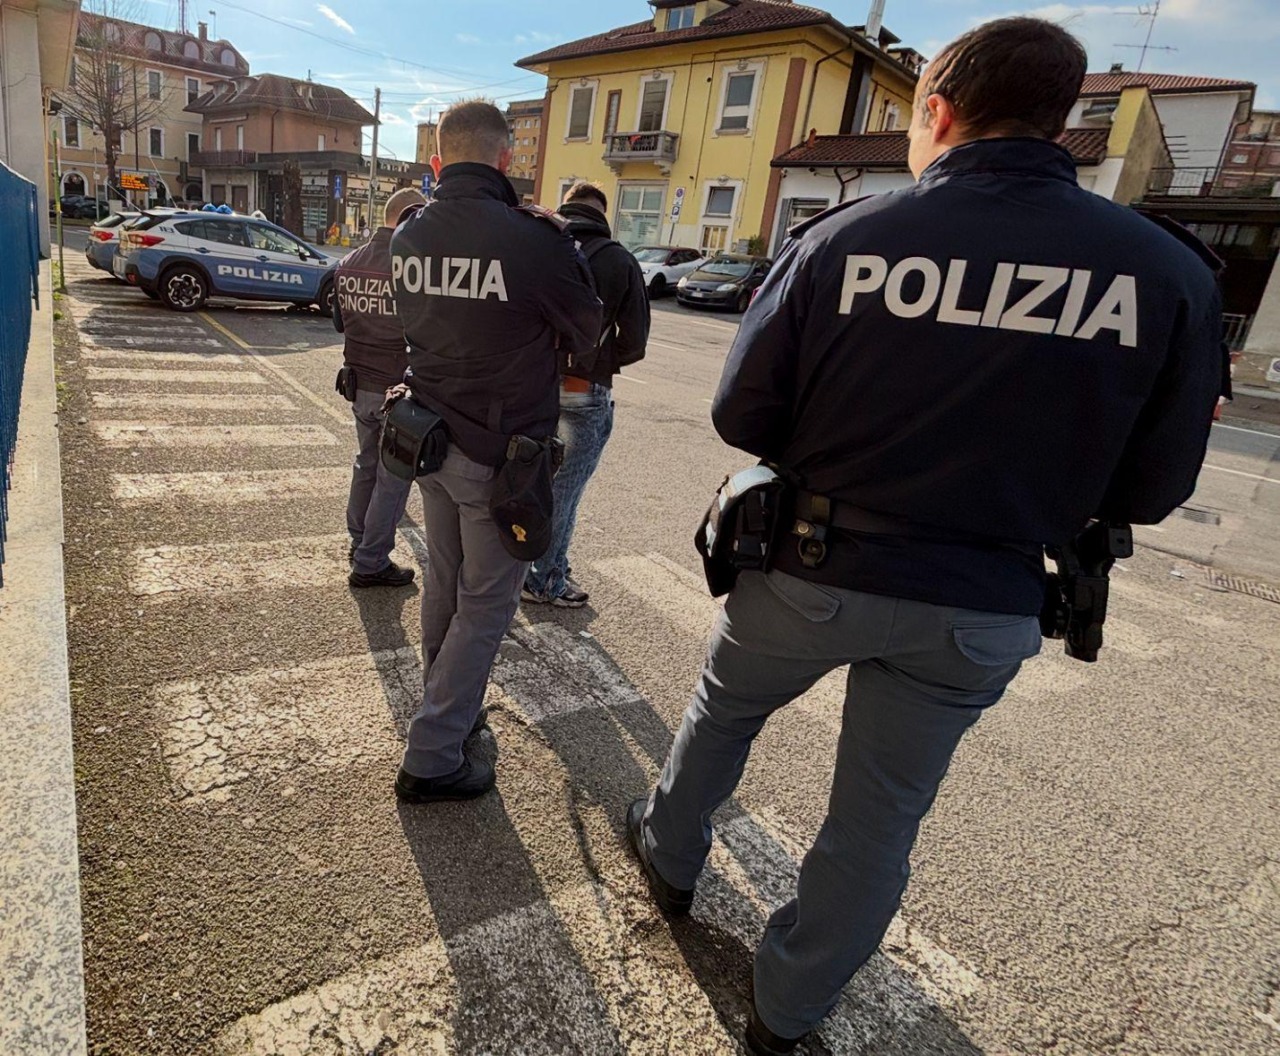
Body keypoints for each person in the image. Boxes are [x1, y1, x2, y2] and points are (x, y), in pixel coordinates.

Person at [624, 18, 1223, 1055]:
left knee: (724, 711)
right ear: (1063, 117)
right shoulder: (1162, 272)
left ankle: (669, 861)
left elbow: (740, 416)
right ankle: (785, 1013)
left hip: (812, 569)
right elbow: (1155, 487)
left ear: (936, 111)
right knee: (877, 820)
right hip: (980, 601)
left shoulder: (844, 239)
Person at [390, 101, 601, 802]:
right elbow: (588, 330)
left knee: (445, 587)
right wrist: (559, 242)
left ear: (439, 162)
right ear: (507, 159)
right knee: (485, 607)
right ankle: (434, 753)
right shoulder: (532, 239)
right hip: (496, 455)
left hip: (429, 442)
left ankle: (446, 711)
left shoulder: (408, 235)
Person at [522, 180, 650, 608]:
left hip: (529, 388)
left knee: (525, 480)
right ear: (602, 212)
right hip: (581, 389)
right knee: (565, 490)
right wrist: (595, 360)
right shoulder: (618, 260)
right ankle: (544, 579)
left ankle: (525, 565)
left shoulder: (537, 247)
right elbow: (634, 342)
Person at [332, 185, 426, 588]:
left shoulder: (349, 261)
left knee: (366, 462)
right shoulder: (412, 265)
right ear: (413, 215)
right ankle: (371, 561)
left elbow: (339, 321)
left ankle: (359, 540)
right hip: (395, 388)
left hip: (359, 383)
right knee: (394, 477)